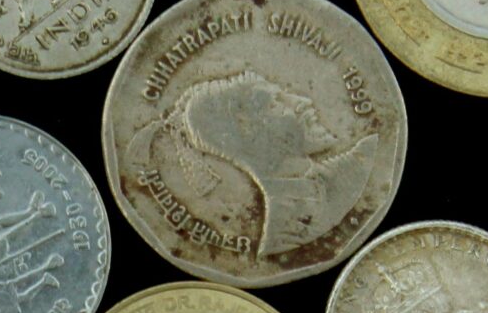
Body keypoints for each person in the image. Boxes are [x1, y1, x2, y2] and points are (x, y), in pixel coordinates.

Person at [139, 66, 377, 260]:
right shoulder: (284, 236)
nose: (302, 101)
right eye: (277, 103)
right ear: (251, 133)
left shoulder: (356, 163)